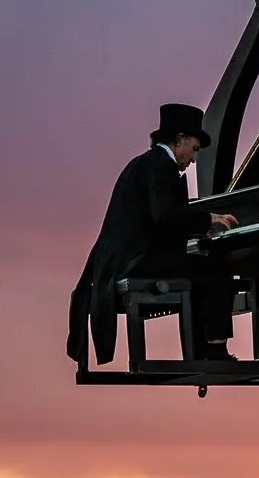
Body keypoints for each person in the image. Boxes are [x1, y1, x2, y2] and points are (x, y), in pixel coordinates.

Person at [66, 103, 242, 367]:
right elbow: (167, 216)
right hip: (136, 262)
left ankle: (200, 352)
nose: (193, 159)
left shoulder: (142, 164)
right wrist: (208, 220)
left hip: (120, 262)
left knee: (197, 269)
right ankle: (214, 350)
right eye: (194, 149)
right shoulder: (161, 167)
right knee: (215, 267)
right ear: (179, 139)